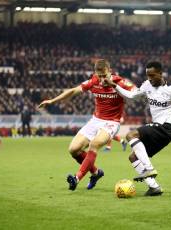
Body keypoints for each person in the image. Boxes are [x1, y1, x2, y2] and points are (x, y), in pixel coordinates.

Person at [104, 61, 171, 196]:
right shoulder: (146, 85)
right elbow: (131, 96)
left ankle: (149, 168)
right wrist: (114, 86)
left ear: (160, 74)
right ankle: (154, 187)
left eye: (152, 75)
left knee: (131, 135)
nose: (149, 78)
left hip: (166, 128)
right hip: (158, 129)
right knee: (133, 157)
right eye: (148, 75)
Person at [38, 59, 134, 191]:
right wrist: (52, 101)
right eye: (99, 76)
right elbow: (73, 91)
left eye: (104, 75)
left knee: (94, 144)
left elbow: (136, 92)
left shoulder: (120, 82)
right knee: (73, 149)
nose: (101, 79)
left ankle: (76, 178)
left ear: (110, 72)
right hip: (95, 120)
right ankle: (96, 173)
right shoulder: (93, 81)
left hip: (112, 122)